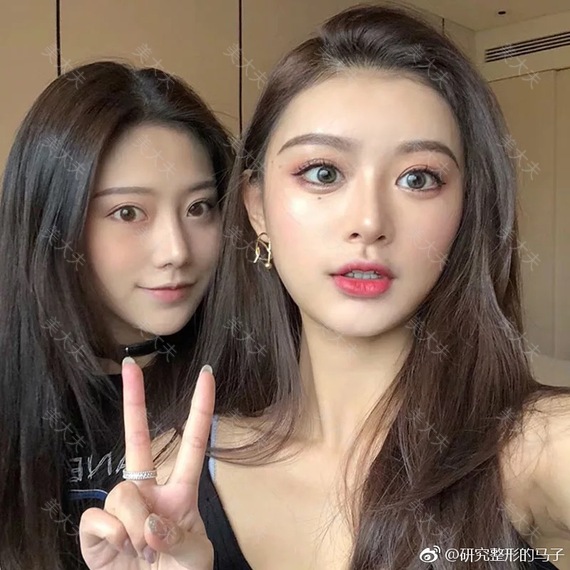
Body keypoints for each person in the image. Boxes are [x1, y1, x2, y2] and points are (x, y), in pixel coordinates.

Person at [79, 5, 570, 569]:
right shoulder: (172, 473)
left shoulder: (537, 446)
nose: (369, 221)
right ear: (257, 208)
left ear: (466, 211)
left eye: (418, 178)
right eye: (323, 173)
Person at [0, 61, 233, 569]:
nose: (176, 251)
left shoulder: (252, 389)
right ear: (51, 222)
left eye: (199, 208)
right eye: (128, 212)